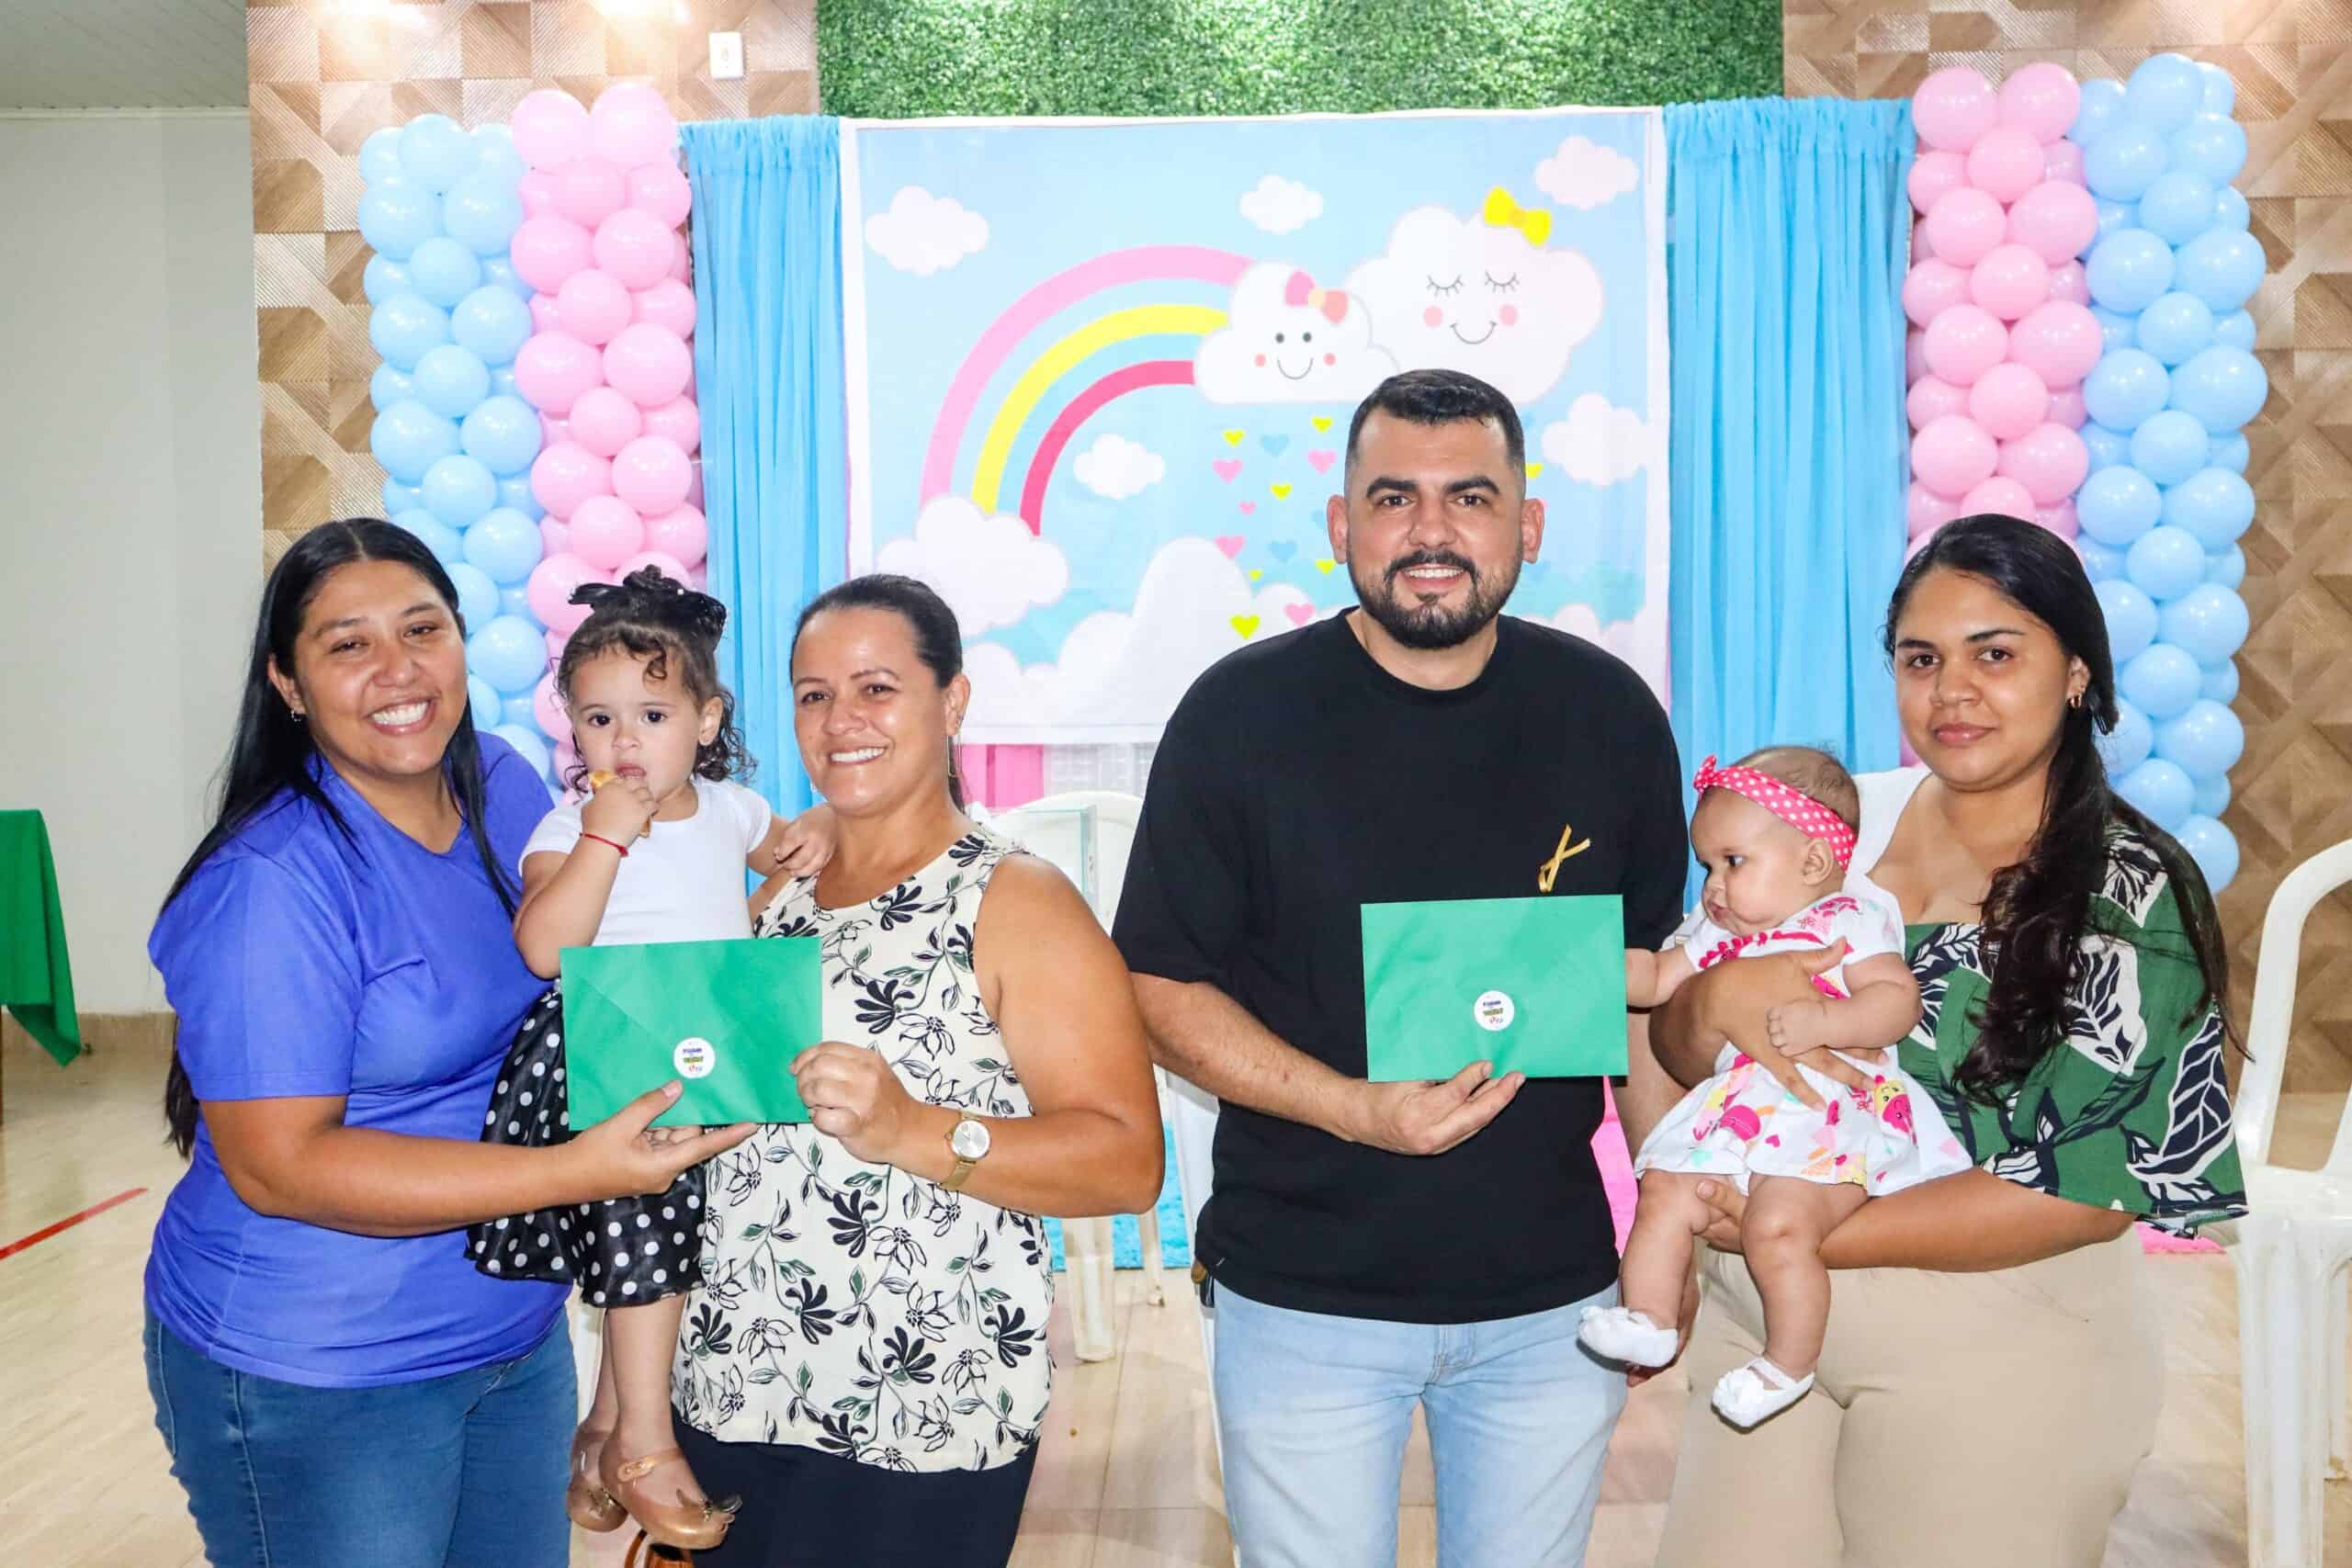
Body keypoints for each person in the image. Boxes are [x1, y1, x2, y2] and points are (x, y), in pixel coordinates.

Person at [1113, 368, 1690, 1568]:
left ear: (1528, 525)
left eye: (1469, 497)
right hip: (1301, 1294)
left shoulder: (1610, 715)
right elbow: (1158, 984)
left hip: (1551, 1297)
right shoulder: (1239, 715)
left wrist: (1664, 1223)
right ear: (1341, 525)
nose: (1432, 531)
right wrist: (1354, 1109)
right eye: (1394, 498)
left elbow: (1637, 999)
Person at [142, 520, 751, 1568]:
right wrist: (576, 1171)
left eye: (423, 629)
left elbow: (640, 934)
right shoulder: (268, 882)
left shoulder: (502, 784)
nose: (399, 670)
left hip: (513, 1335)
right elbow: (282, 1167)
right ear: (288, 683)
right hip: (323, 1372)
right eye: (349, 644)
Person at [1651, 513, 2248, 1566]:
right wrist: (1713, 1005)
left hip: (1997, 1342)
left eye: (1995, 654)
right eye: (1920, 659)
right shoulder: (1829, 836)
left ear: (2075, 672)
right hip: (1765, 1320)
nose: (1951, 691)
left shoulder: (2129, 888)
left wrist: (1793, 1231)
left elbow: (2084, 1189)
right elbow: (1674, 1028)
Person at [668, 573, 1166, 1568]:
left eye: (876, 688)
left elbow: (1125, 1163)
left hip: (926, 1406)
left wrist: (915, 1131)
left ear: (953, 701)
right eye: (814, 694)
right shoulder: (775, 897)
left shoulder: (1017, 901)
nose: (840, 720)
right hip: (734, 1383)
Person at [465, 568, 836, 1551]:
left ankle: (600, 1427)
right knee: (648, 1234)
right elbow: (545, 949)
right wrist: (606, 840)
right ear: (573, 732)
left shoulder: (733, 811)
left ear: (706, 722)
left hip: (704, 1053)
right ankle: (643, 1442)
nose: (624, 741)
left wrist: (815, 835)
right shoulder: (567, 828)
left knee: (678, 1250)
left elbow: (795, 856)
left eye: (654, 714)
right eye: (599, 719)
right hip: (607, 1062)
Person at [1580, 746, 1969, 1428]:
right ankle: (1650, 1317)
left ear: (1813, 863)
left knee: (1777, 1226)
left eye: (1733, 862)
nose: (1713, 886)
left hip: (1827, 1112)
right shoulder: (1716, 933)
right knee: (1666, 1190)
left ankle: (1788, 1363)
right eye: (1707, 866)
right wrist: (1589, 965)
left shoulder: (1846, 920)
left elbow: (1896, 999)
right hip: (1740, 1112)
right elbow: (1657, 980)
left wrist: (1831, 1019)